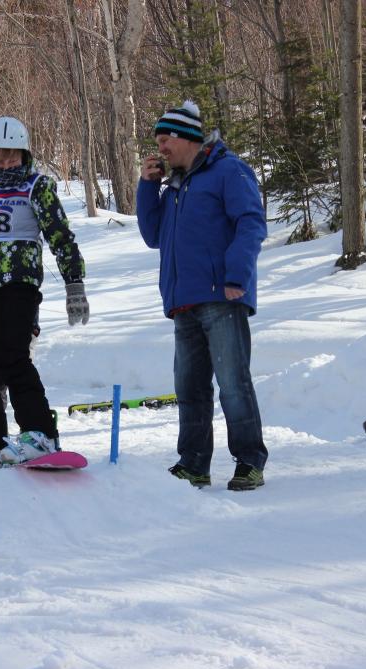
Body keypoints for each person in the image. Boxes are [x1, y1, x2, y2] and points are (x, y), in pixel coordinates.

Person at [136, 100, 269, 491]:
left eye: (165, 140)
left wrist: (237, 274)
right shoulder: (174, 183)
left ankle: (249, 462)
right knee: (190, 390)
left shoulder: (228, 170)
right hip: (183, 302)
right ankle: (194, 464)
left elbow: (251, 222)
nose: (160, 148)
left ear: (186, 137)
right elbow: (153, 236)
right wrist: (148, 186)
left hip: (222, 296)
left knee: (233, 384)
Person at [0, 116, 88, 465]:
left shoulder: (38, 185)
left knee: (11, 354)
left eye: (12, 156)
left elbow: (60, 235)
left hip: (18, 281)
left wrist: (74, 284)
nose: (5, 163)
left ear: (25, 155)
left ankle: (40, 432)